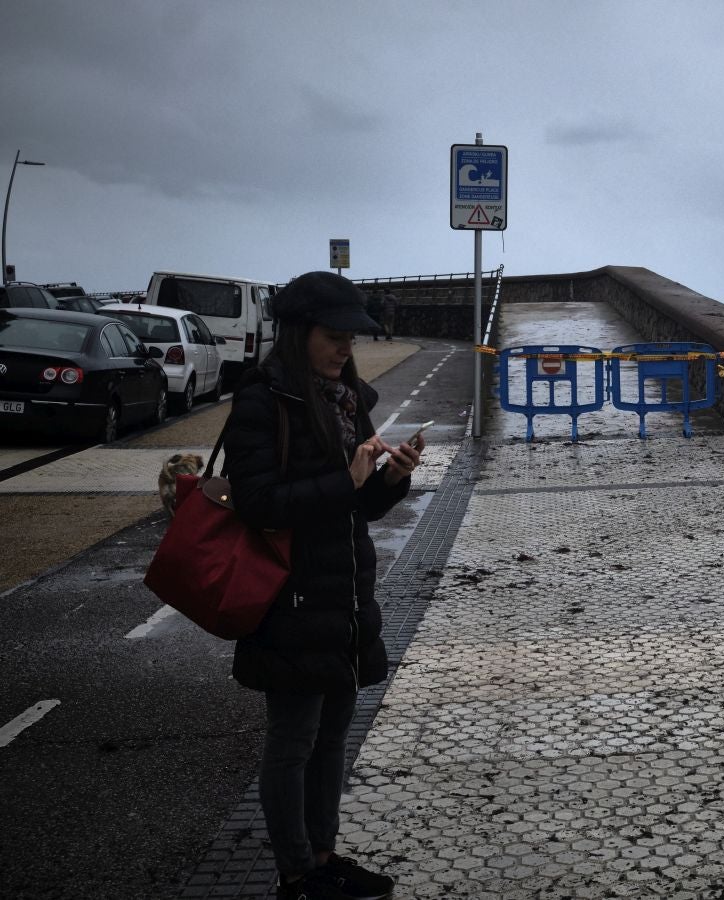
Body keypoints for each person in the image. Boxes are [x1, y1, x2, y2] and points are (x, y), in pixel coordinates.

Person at [223, 271, 422, 900]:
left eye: (350, 339)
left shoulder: (347, 400)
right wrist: (348, 481)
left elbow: (358, 509)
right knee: (293, 740)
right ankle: (295, 874)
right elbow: (256, 502)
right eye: (333, 337)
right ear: (298, 333)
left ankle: (325, 856)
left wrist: (390, 479)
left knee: (334, 733)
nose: (344, 349)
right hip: (290, 598)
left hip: (346, 595)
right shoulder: (261, 401)